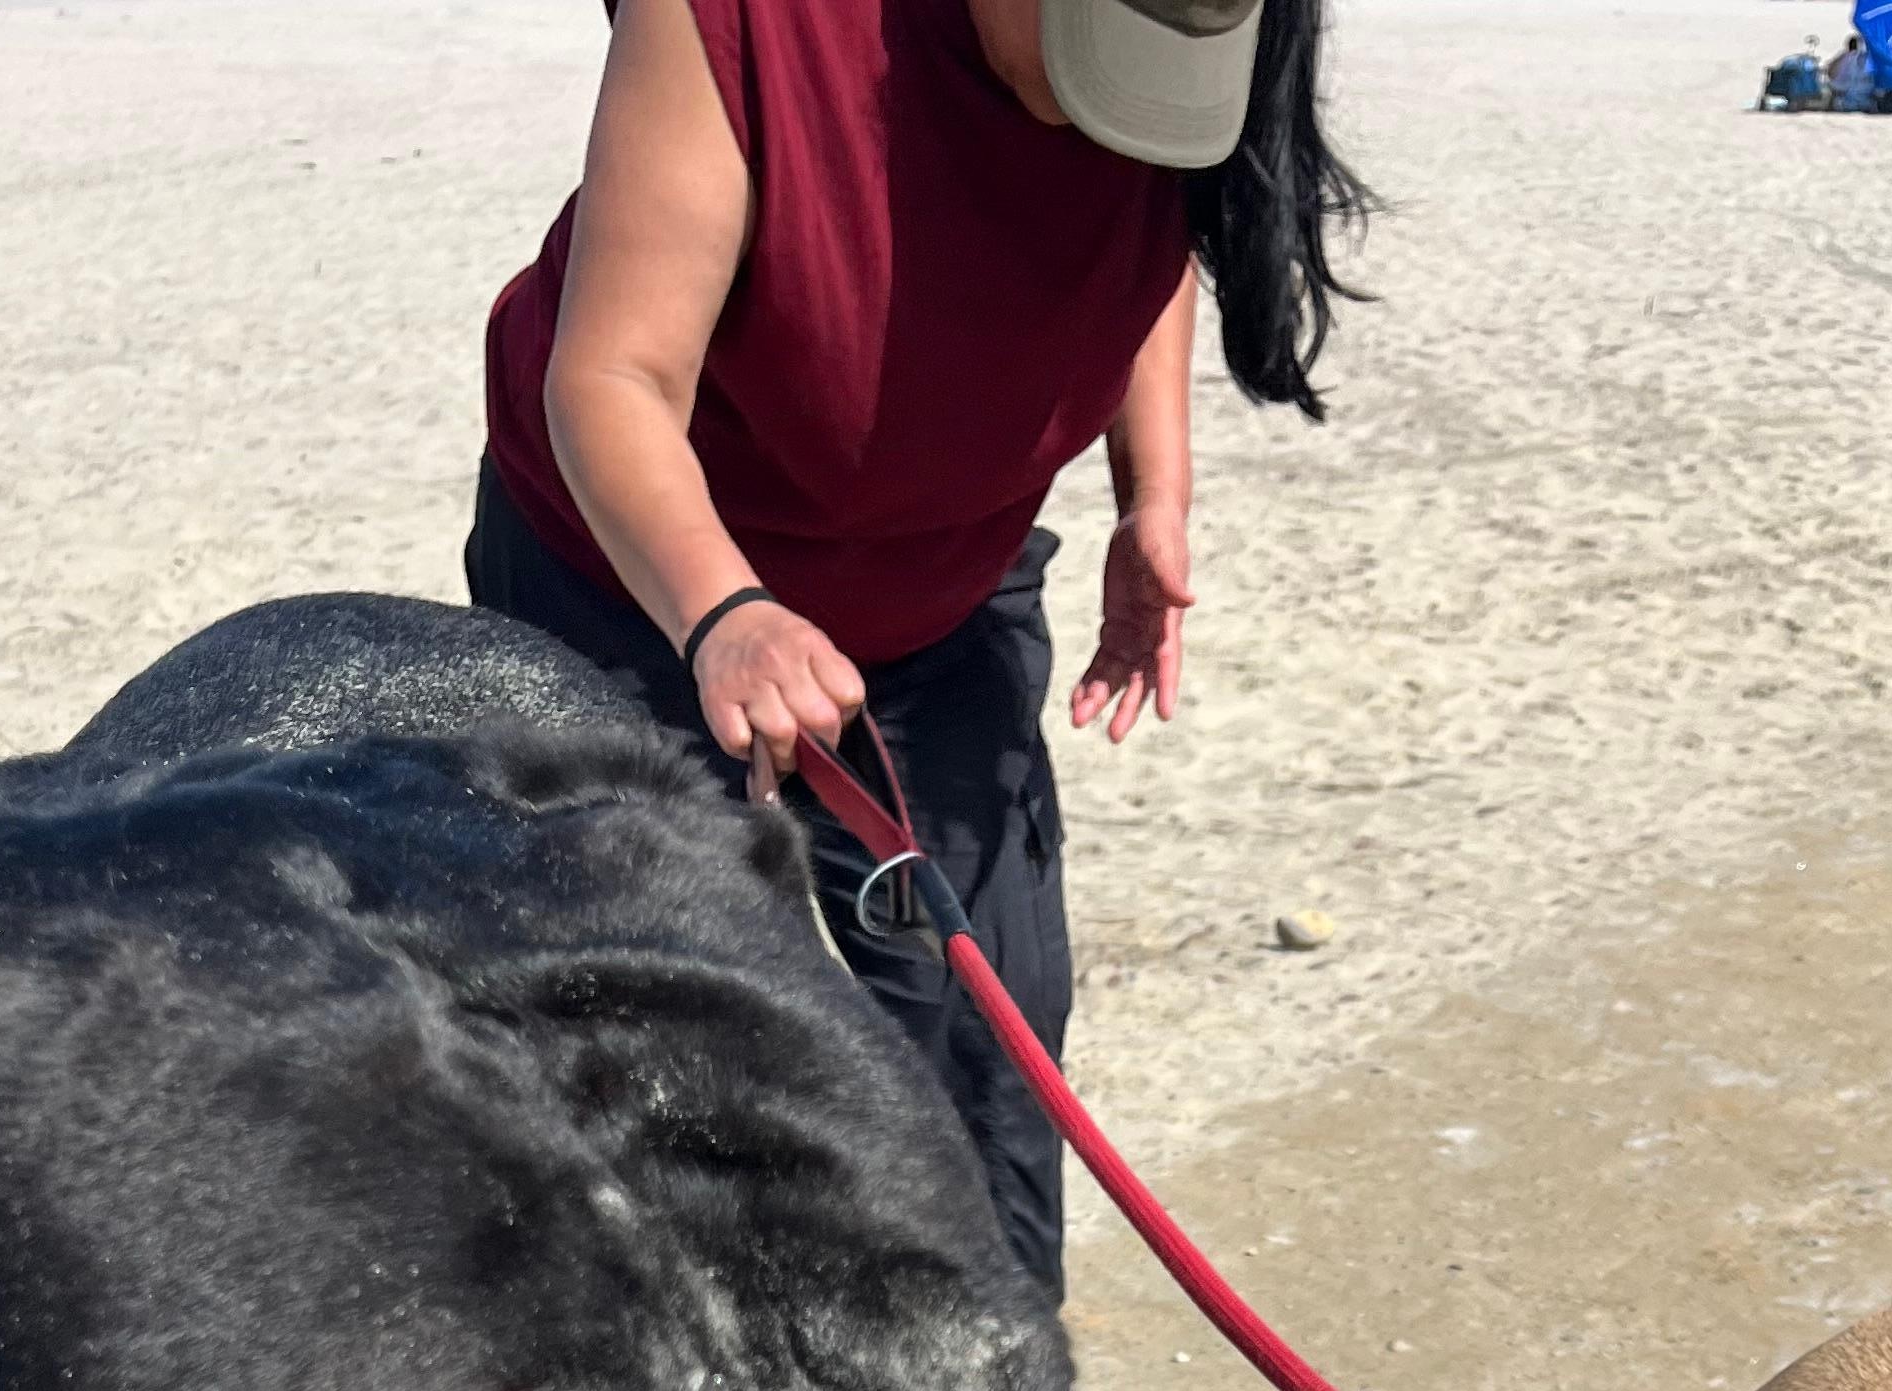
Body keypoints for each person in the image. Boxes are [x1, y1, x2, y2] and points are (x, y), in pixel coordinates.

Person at [468, 0, 1366, 1304]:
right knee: (676, 1061)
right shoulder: (754, 25)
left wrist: (1152, 496)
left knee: (991, 1047)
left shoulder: (1183, 69)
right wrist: (726, 613)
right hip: (639, 592)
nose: (1100, 127)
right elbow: (612, 378)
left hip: (945, 592)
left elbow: (1152, 221)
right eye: (1095, 67)